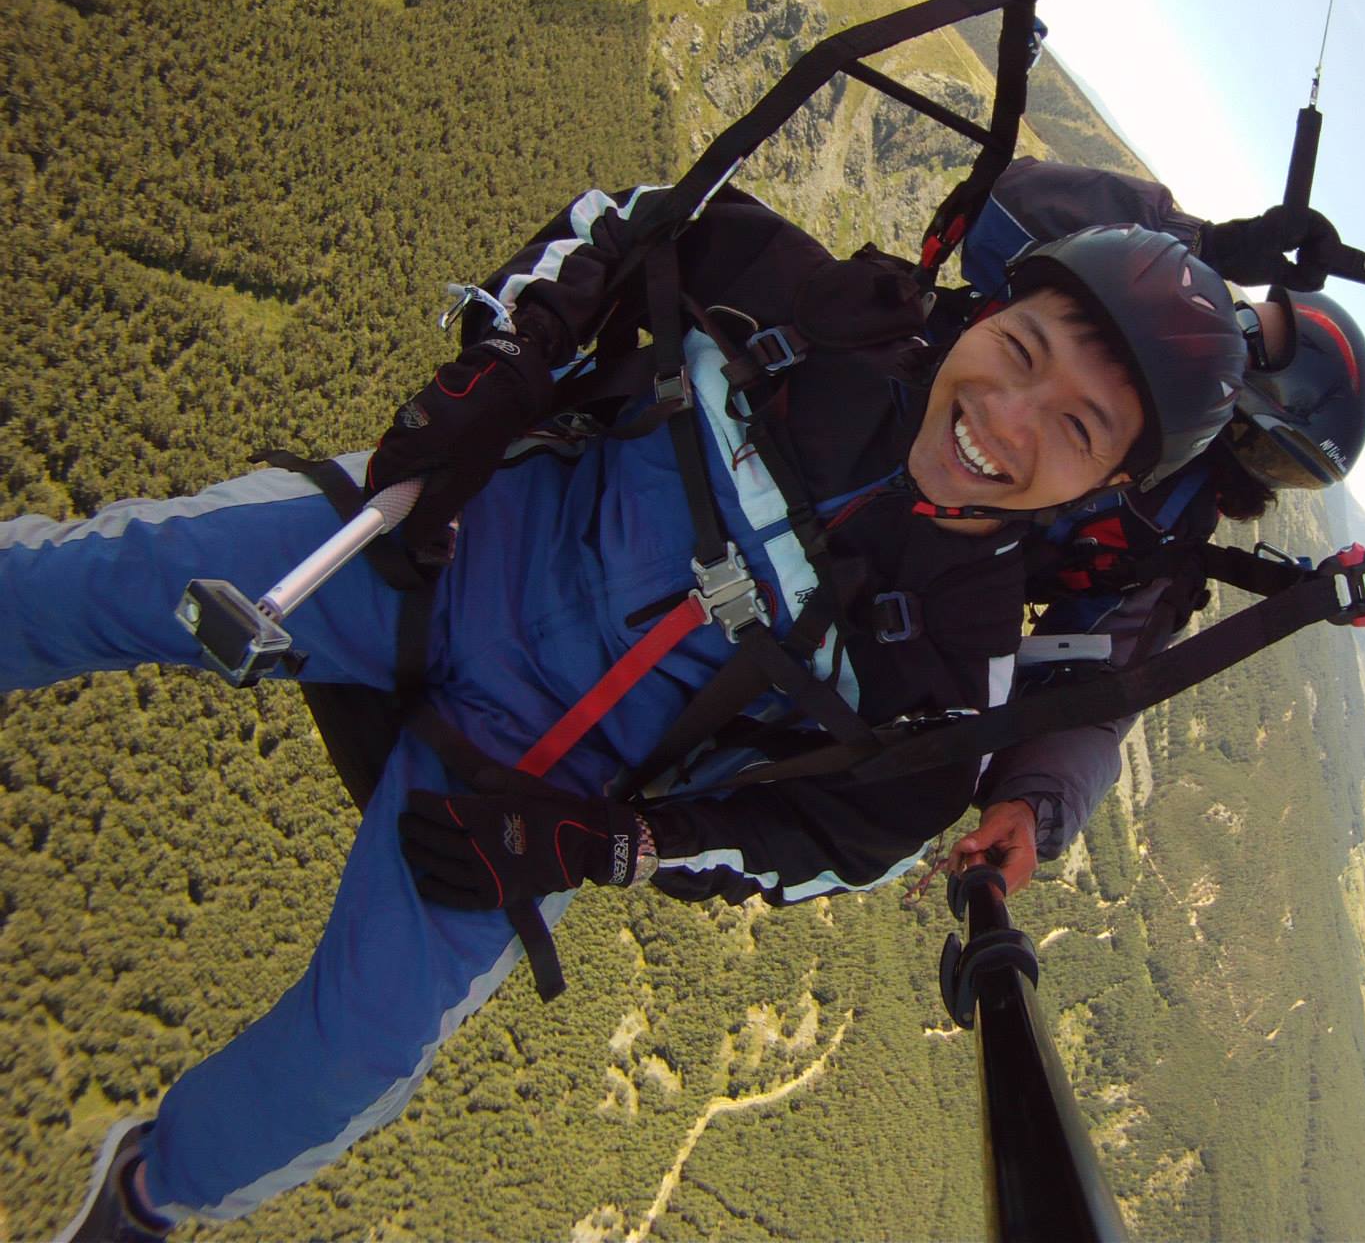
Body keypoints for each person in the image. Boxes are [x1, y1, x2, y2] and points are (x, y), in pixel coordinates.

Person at [7, 179, 1245, 1239]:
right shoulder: (807, 310)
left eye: (1075, 429)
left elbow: (836, 847)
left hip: (516, 792)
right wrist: (497, 360)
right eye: (1019, 352)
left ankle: (149, 1199)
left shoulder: (954, 679)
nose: (1006, 420)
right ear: (987, 311)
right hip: (432, 552)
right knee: (101, 581)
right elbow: (630, 219)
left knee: (353, 1057)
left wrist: (610, 846)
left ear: (1111, 485)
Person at [934, 159, 1365, 896]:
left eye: (1273, 460)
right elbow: (1002, 212)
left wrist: (1035, 804)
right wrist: (1198, 246)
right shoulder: (1124, 336)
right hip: (875, 435)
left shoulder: (1166, 541)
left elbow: (1105, 690)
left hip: (906, 581)